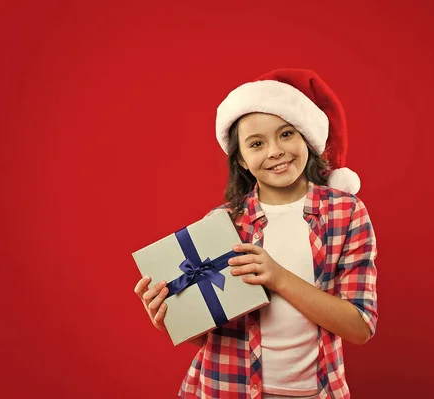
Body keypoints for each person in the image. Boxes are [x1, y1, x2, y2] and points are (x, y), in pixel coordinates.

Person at [134, 69, 378, 399]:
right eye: (257, 144)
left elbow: (360, 326)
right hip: (226, 390)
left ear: (305, 136)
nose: (275, 151)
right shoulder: (224, 223)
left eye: (286, 134)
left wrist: (277, 277)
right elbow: (214, 339)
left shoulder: (346, 214)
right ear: (244, 161)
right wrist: (171, 317)